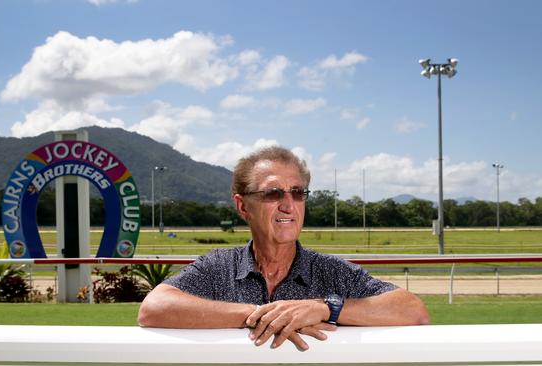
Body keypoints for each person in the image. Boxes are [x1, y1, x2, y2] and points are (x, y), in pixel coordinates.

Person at [138, 146, 429, 351]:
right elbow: (154, 308)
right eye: (273, 193)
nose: (288, 204)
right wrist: (263, 315)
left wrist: (324, 308)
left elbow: (412, 310)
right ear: (242, 206)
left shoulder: (331, 271)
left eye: (298, 192)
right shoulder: (219, 266)